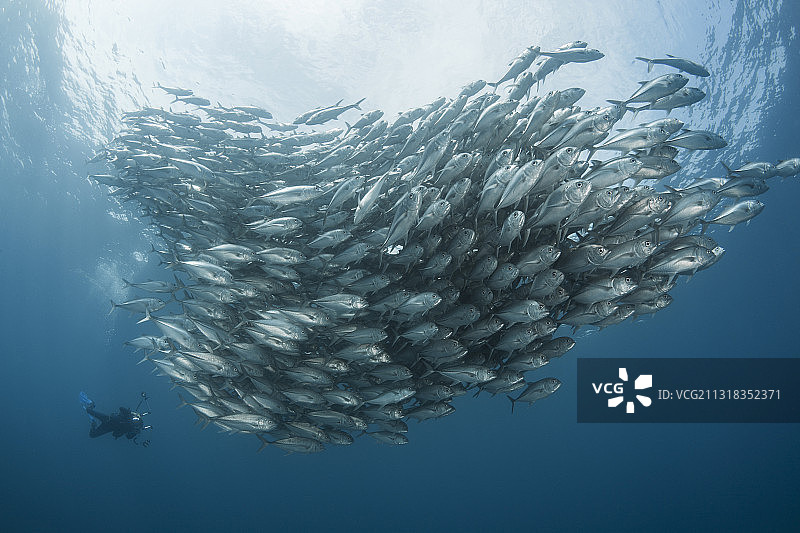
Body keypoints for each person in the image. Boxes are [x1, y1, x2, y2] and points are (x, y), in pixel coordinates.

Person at [80, 391, 151, 444]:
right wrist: (130, 413)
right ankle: (92, 404)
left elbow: (126, 436)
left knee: (92, 435)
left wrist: (134, 432)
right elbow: (121, 408)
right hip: (108, 420)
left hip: (108, 427)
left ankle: (93, 422)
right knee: (89, 411)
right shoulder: (128, 418)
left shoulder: (130, 429)